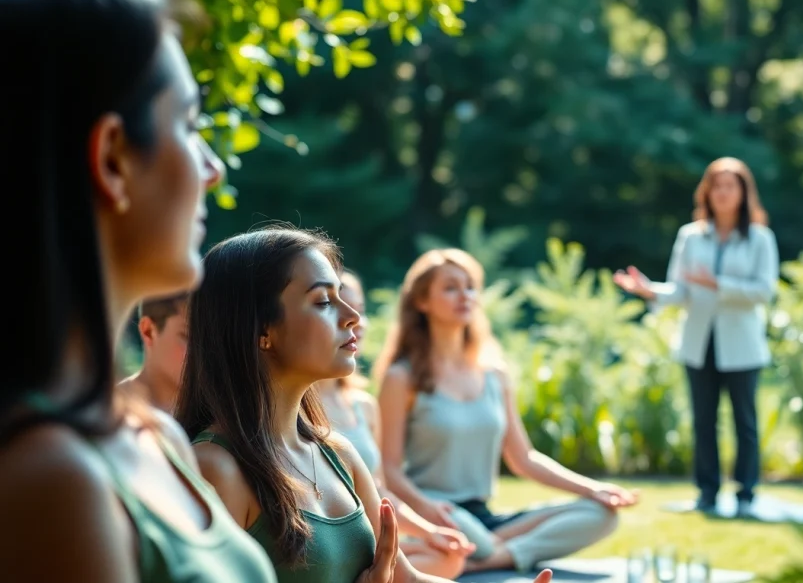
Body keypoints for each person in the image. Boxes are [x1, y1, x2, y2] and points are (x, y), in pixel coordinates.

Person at [0, 0, 278, 581]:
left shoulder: (156, 435)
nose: (213, 167)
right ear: (112, 161)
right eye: (188, 124)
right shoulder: (53, 482)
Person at [175, 227, 552, 583]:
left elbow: (407, 579)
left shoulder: (339, 454)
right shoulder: (216, 469)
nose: (352, 316)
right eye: (323, 301)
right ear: (261, 330)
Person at [374, 249, 638, 574]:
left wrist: (592, 488)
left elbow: (523, 458)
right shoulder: (402, 377)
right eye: (450, 287)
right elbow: (389, 469)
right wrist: (429, 510)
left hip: (484, 517)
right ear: (422, 301)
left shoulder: (494, 374)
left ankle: (478, 560)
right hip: (435, 512)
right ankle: (479, 550)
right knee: (476, 537)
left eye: (470, 286)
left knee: (600, 514)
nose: (465, 295)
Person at [613, 156, 779, 518]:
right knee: (704, 421)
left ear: (743, 192)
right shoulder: (691, 236)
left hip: (742, 345)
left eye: (729, 186)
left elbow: (765, 291)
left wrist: (719, 285)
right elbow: (680, 289)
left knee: (744, 423)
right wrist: (648, 290)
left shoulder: (760, 239)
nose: (722, 193)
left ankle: (746, 495)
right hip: (698, 343)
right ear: (707, 192)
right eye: (716, 186)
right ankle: (707, 493)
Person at [315, 270, 475, 579]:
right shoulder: (299, 410)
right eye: (333, 307)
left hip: (375, 540)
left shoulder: (364, 405)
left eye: (360, 310)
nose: (355, 321)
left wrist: (430, 532)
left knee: (447, 556)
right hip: (336, 548)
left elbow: (379, 492)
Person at [120, 291, 190, 413]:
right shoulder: (115, 412)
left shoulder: (216, 416)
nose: (202, 351)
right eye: (187, 337)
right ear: (148, 331)